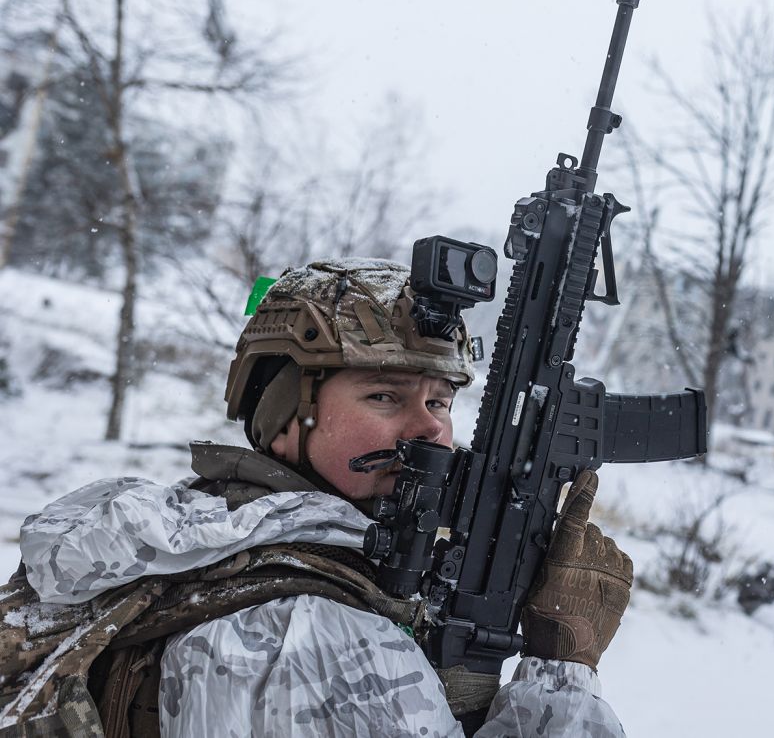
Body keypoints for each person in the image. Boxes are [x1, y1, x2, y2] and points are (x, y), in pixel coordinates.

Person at [11, 258, 633, 737]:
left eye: (439, 401)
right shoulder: (308, 636)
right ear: (285, 416)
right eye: (384, 396)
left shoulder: (205, 537)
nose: (430, 429)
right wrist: (563, 671)